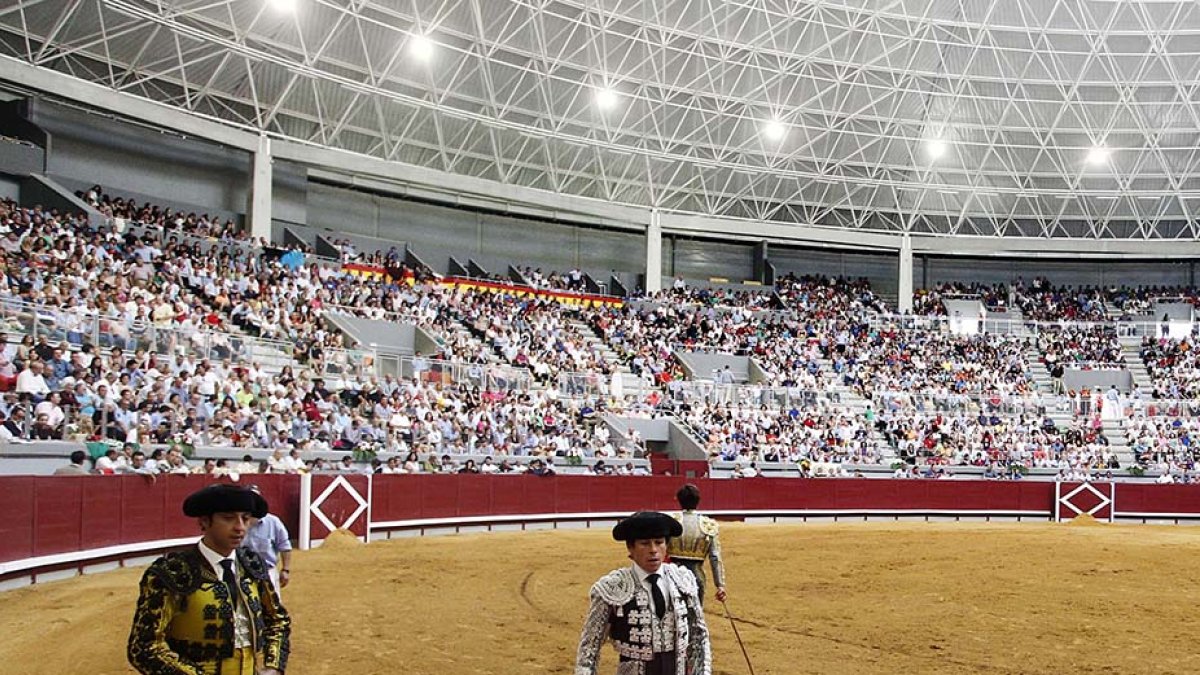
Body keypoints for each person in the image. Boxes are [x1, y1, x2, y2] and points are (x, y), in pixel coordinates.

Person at [127, 484, 291, 675]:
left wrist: (273, 667)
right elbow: (144, 647)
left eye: (245, 518)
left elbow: (277, 620)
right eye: (228, 518)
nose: (239, 527)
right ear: (204, 522)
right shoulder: (171, 572)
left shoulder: (252, 565)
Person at [575, 511, 711, 675]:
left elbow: (699, 637)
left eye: (659, 542)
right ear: (630, 548)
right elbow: (590, 647)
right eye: (645, 543)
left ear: (666, 546)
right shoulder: (611, 588)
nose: (653, 550)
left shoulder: (683, 580)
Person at [669, 484, 727, 606]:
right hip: (696, 576)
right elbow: (715, 557)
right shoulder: (708, 525)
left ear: (679, 500)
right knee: (695, 616)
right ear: (698, 501)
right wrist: (720, 585)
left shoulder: (670, 522)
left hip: (671, 575)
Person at [242, 486, 294, 596]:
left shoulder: (273, 522)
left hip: (267, 573)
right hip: (242, 573)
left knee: (272, 608)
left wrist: (285, 570)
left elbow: (284, 546)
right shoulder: (236, 522)